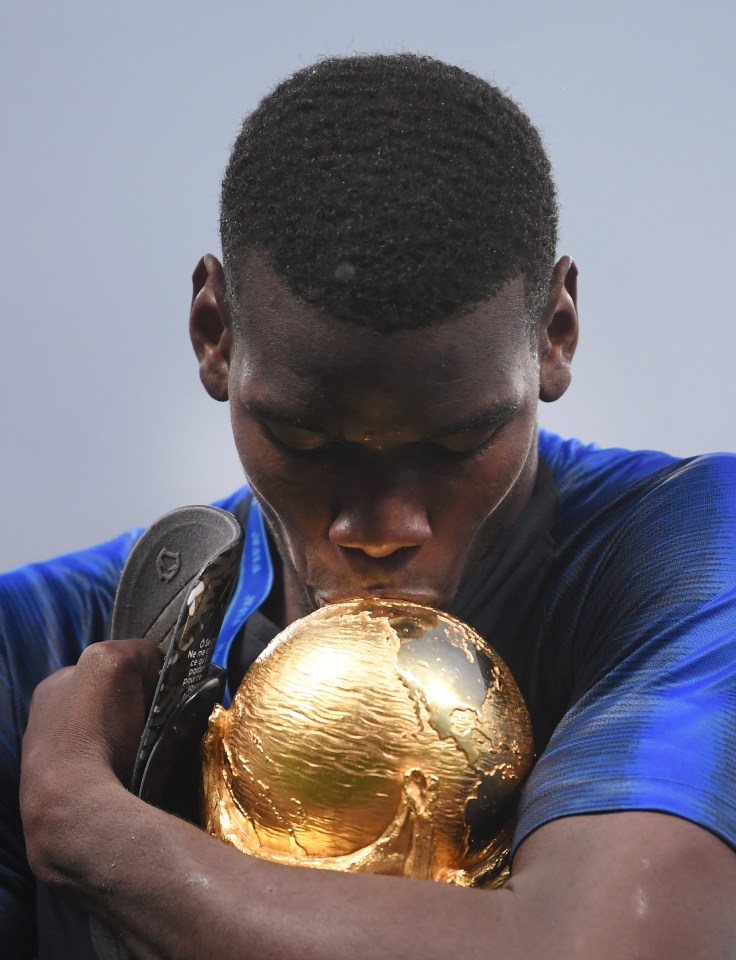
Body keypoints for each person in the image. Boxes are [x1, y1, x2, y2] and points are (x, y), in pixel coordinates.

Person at [5, 52, 736, 959]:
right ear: (214, 335)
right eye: (307, 442)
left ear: (554, 335)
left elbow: (600, 948)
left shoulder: (696, 553)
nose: (385, 528)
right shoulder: (33, 646)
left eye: (459, 443)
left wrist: (88, 826)